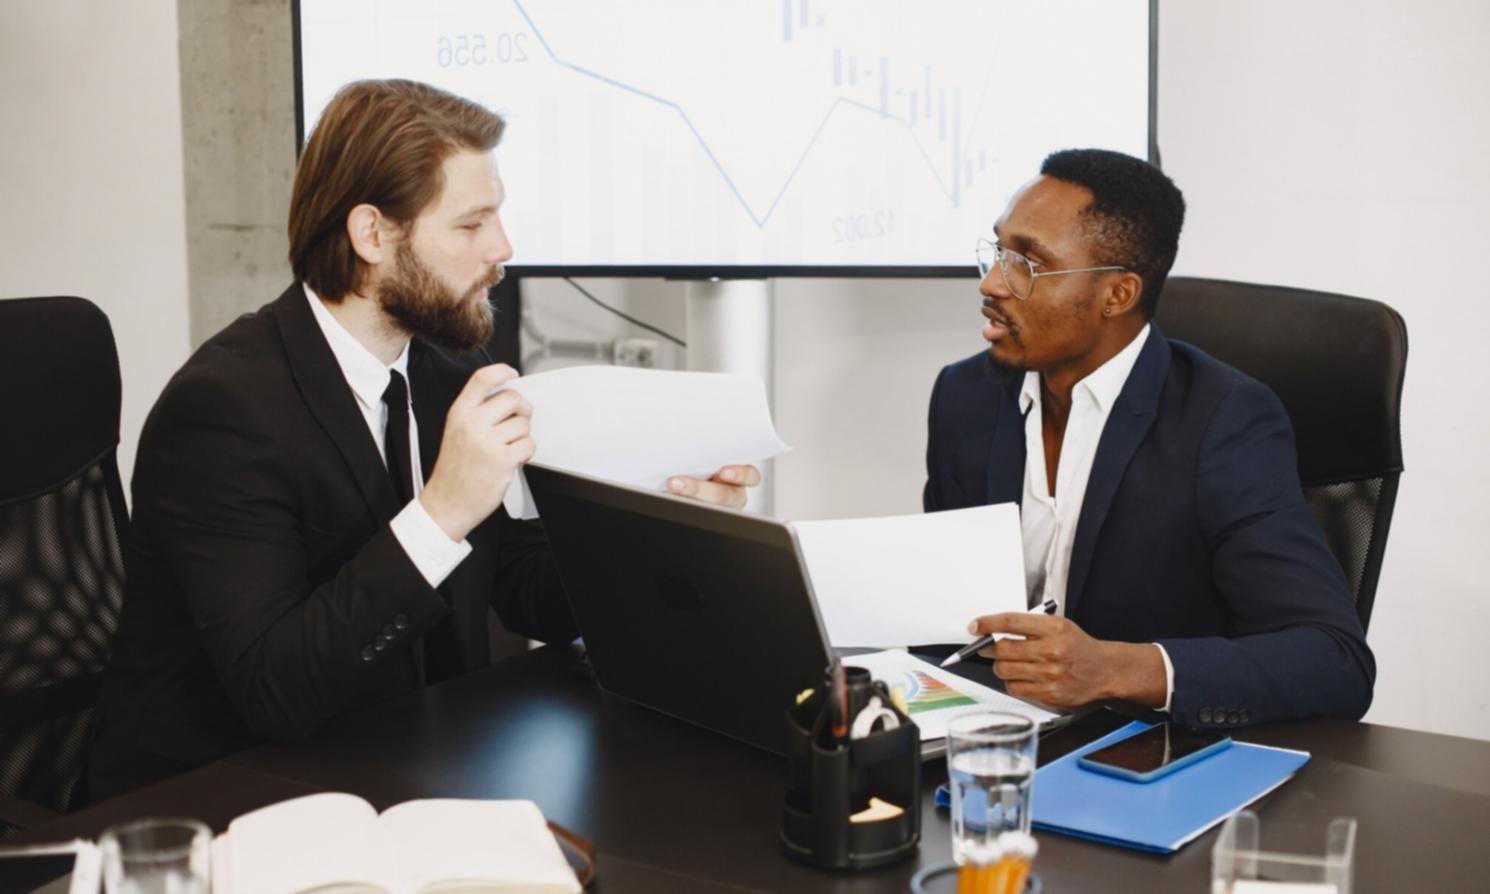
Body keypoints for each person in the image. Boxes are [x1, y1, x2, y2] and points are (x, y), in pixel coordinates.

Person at [87, 79, 759, 800]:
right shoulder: (222, 413)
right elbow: (274, 691)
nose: (503, 248)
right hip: (223, 796)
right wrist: (441, 513)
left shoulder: (450, 366)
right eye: (470, 226)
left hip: (415, 759)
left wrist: (659, 517)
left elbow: (527, 592)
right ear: (373, 234)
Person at [924, 148, 1373, 727]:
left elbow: (1335, 662)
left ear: (1118, 294)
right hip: (992, 736)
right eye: (998, 250)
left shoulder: (1225, 422)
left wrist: (1114, 670)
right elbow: (947, 604)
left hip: (1146, 753)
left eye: (1028, 264)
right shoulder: (965, 395)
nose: (992, 282)